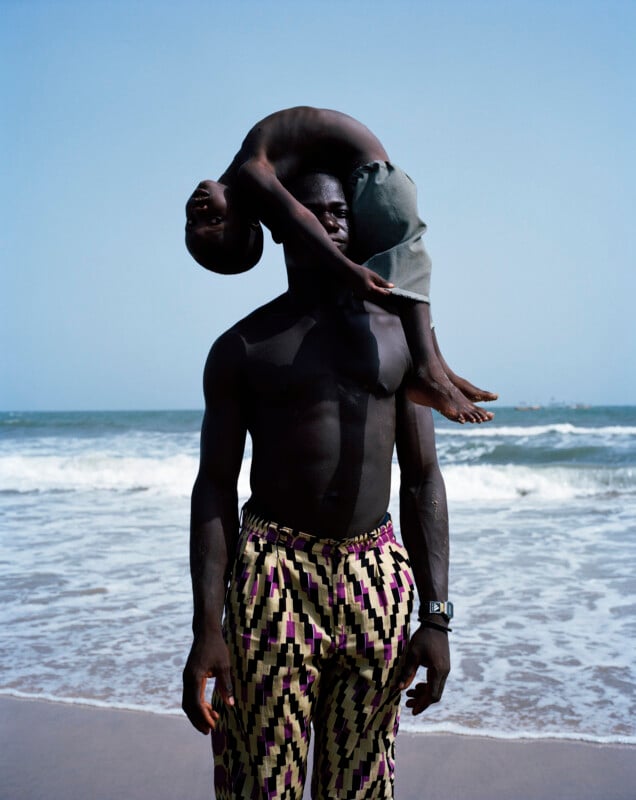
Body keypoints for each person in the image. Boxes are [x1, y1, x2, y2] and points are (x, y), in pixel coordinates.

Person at [182, 171, 453, 800]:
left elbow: (423, 481)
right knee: (259, 782)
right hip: (272, 575)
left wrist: (436, 616)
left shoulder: (398, 334)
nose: (330, 222)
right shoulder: (242, 347)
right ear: (279, 228)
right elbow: (214, 488)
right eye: (312, 211)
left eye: (340, 212)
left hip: (376, 579)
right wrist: (207, 627)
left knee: (363, 783)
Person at [184, 106, 497, 424]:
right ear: (250, 222)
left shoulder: (250, 171)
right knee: (406, 261)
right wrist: (345, 267)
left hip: (357, 168)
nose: (199, 208)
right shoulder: (254, 176)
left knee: (405, 275)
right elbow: (299, 217)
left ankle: (435, 369)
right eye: (212, 219)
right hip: (372, 172)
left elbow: (299, 216)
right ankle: (432, 370)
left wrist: (346, 268)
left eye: (193, 221)